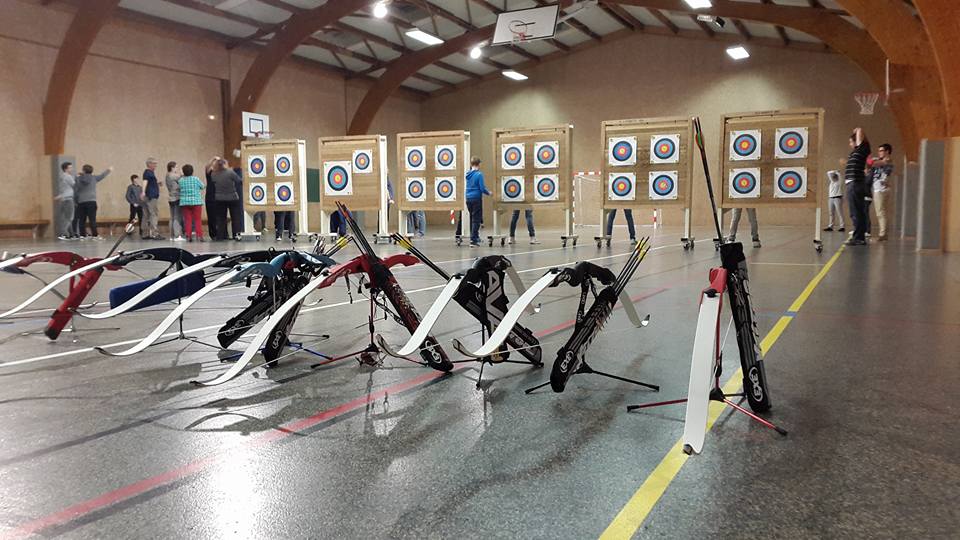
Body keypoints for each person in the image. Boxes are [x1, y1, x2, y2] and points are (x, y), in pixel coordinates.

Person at [845, 127, 871, 246]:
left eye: (851, 142)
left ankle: (858, 238)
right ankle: (859, 236)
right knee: (857, 211)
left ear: (857, 141)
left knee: (855, 211)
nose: (850, 144)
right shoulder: (857, 151)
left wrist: (857, 131)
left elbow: (860, 130)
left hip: (855, 184)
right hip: (853, 184)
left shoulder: (862, 149)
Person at [74, 164, 113, 239]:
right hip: (91, 201)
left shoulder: (78, 179)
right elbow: (102, 175)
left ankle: (82, 235)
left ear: (83, 171)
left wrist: (76, 201)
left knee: (82, 220)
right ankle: (95, 235)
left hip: (81, 201)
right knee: (92, 219)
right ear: (91, 171)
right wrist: (109, 170)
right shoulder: (94, 178)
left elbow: (76, 191)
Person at [207, 157, 240, 241]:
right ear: (225, 164)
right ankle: (236, 234)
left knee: (221, 218)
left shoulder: (214, 174)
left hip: (219, 198)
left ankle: (221, 236)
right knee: (235, 217)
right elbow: (238, 180)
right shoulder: (230, 172)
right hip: (232, 197)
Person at [869, 143, 894, 241]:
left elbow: (873, 163)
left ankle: (882, 234)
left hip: (881, 189)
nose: (879, 153)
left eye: (881, 151)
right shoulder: (880, 160)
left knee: (880, 212)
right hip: (879, 188)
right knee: (882, 211)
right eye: (878, 151)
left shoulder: (887, 160)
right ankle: (884, 233)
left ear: (887, 151)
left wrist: (871, 160)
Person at [465, 156, 491, 247]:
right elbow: (482, 188)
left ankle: (475, 237)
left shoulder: (468, 174)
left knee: (472, 218)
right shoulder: (479, 174)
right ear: (479, 164)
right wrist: (489, 193)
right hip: (476, 198)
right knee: (476, 220)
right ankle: (473, 240)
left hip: (468, 198)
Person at [178, 164, 204, 242]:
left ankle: (188, 236)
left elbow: (179, 188)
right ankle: (199, 236)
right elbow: (202, 186)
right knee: (197, 219)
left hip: (185, 202)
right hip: (196, 202)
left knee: (187, 220)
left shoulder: (181, 180)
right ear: (192, 171)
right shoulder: (196, 179)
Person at [142, 158, 164, 240]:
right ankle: (155, 233)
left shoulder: (149, 173)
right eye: (154, 163)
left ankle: (145, 233)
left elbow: (149, 183)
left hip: (148, 196)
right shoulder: (148, 172)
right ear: (149, 164)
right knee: (153, 214)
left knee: (146, 215)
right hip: (151, 196)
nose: (156, 165)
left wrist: (157, 183)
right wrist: (143, 192)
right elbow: (145, 182)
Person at [54, 162, 76, 240]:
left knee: (66, 217)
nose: (72, 169)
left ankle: (71, 234)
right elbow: (75, 186)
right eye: (70, 167)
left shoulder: (62, 176)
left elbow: (64, 189)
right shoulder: (68, 176)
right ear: (66, 169)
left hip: (63, 199)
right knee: (69, 218)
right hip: (69, 199)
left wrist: (59, 196)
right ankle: (63, 233)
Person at [165, 161, 184, 241]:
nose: (177, 169)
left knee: (172, 217)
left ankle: (172, 236)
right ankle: (177, 235)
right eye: (176, 167)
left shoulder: (167, 175)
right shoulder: (172, 175)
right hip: (176, 197)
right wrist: (182, 173)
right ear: (172, 168)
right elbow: (182, 177)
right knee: (177, 217)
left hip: (171, 198)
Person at [823, 166, 845, 232]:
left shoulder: (839, 182)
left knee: (839, 212)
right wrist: (835, 171)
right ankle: (830, 226)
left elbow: (840, 176)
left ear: (836, 177)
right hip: (830, 198)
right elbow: (828, 173)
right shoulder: (831, 182)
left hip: (837, 198)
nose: (832, 177)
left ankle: (842, 226)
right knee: (831, 213)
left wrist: (837, 173)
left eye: (833, 176)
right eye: (832, 176)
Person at [229, 166, 245, 239]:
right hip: (236, 198)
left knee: (236, 216)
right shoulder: (236, 174)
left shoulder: (230, 173)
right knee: (237, 215)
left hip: (232, 198)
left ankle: (236, 233)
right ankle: (238, 232)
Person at [204, 158, 218, 239]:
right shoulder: (209, 173)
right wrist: (213, 159)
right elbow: (207, 167)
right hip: (210, 196)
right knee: (211, 216)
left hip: (219, 196)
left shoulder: (220, 173)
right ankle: (213, 234)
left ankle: (220, 233)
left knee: (219, 216)